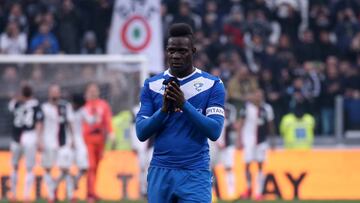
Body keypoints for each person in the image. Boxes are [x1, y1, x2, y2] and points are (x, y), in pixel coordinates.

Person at [136, 23, 225, 203]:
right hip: (160, 171)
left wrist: (184, 104)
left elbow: (215, 131)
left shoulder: (212, 84)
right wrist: (163, 111)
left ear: (193, 51)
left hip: (195, 173)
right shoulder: (151, 85)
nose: (175, 56)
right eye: (171, 50)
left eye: (182, 51)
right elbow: (141, 132)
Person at [236, 89, 275, 201]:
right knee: (247, 165)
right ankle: (248, 188)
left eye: (260, 95)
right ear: (253, 96)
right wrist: (239, 139)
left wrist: (273, 140)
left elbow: (270, 125)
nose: (258, 97)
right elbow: (241, 124)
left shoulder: (267, 108)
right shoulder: (247, 108)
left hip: (262, 141)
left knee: (260, 165)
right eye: (256, 95)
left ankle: (259, 192)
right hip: (248, 140)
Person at [8, 85, 43, 202]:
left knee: (14, 167)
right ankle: (26, 195)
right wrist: (38, 139)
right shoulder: (36, 105)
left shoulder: (16, 103)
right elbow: (39, 122)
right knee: (29, 168)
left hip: (16, 137)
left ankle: (13, 194)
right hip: (30, 136)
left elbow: (11, 106)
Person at [40, 84, 75, 202]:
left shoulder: (66, 106)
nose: (55, 94)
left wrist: (73, 138)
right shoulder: (44, 107)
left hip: (63, 143)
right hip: (48, 143)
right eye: (52, 91)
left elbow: (70, 123)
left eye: (57, 92)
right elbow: (40, 125)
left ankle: (70, 196)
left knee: (66, 169)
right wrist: (39, 141)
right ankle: (51, 196)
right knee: (48, 169)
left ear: (59, 93)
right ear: (49, 93)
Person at [83, 83, 114, 202]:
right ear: (87, 92)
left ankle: (91, 192)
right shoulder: (83, 106)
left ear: (98, 92)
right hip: (87, 140)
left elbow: (107, 120)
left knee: (96, 167)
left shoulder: (103, 105)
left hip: (100, 140)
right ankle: (90, 194)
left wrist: (111, 132)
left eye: (95, 90)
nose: (93, 92)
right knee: (90, 166)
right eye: (90, 90)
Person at [70, 94, 89, 194]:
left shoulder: (82, 111)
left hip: (79, 141)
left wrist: (96, 117)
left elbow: (90, 120)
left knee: (85, 167)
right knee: (65, 167)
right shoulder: (68, 109)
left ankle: (76, 179)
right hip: (68, 141)